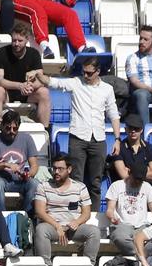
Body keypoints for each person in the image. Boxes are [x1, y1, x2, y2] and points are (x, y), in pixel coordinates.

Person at [38, 56, 119, 197]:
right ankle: (75, 215)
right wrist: (38, 74)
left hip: (98, 139)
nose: (85, 76)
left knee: (96, 182)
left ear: (98, 71)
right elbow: (54, 83)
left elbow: (113, 114)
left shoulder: (107, 89)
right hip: (78, 137)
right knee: (76, 181)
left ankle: (93, 216)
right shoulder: (76, 83)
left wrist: (117, 138)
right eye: (84, 72)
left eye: (89, 73)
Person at [33, 153, 100, 261]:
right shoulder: (43, 186)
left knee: (94, 232)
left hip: (74, 228)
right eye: (54, 168)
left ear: (69, 169)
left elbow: (86, 213)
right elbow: (39, 211)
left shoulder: (80, 187)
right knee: (41, 230)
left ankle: (88, 265)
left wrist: (77, 222)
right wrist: (57, 226)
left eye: (60, 169)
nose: (56, 172)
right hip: (52, 227)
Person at [0, 22, 49, 125]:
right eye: (14, 40)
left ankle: (44, 130)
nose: (16, 44)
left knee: (44, 92)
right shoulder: (1, 53)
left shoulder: (34, 54)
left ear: (27, 40)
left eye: (20, 41)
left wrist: (31, 87)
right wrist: (20, 86)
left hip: (28, 93)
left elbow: (41, 80)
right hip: (7, 91)